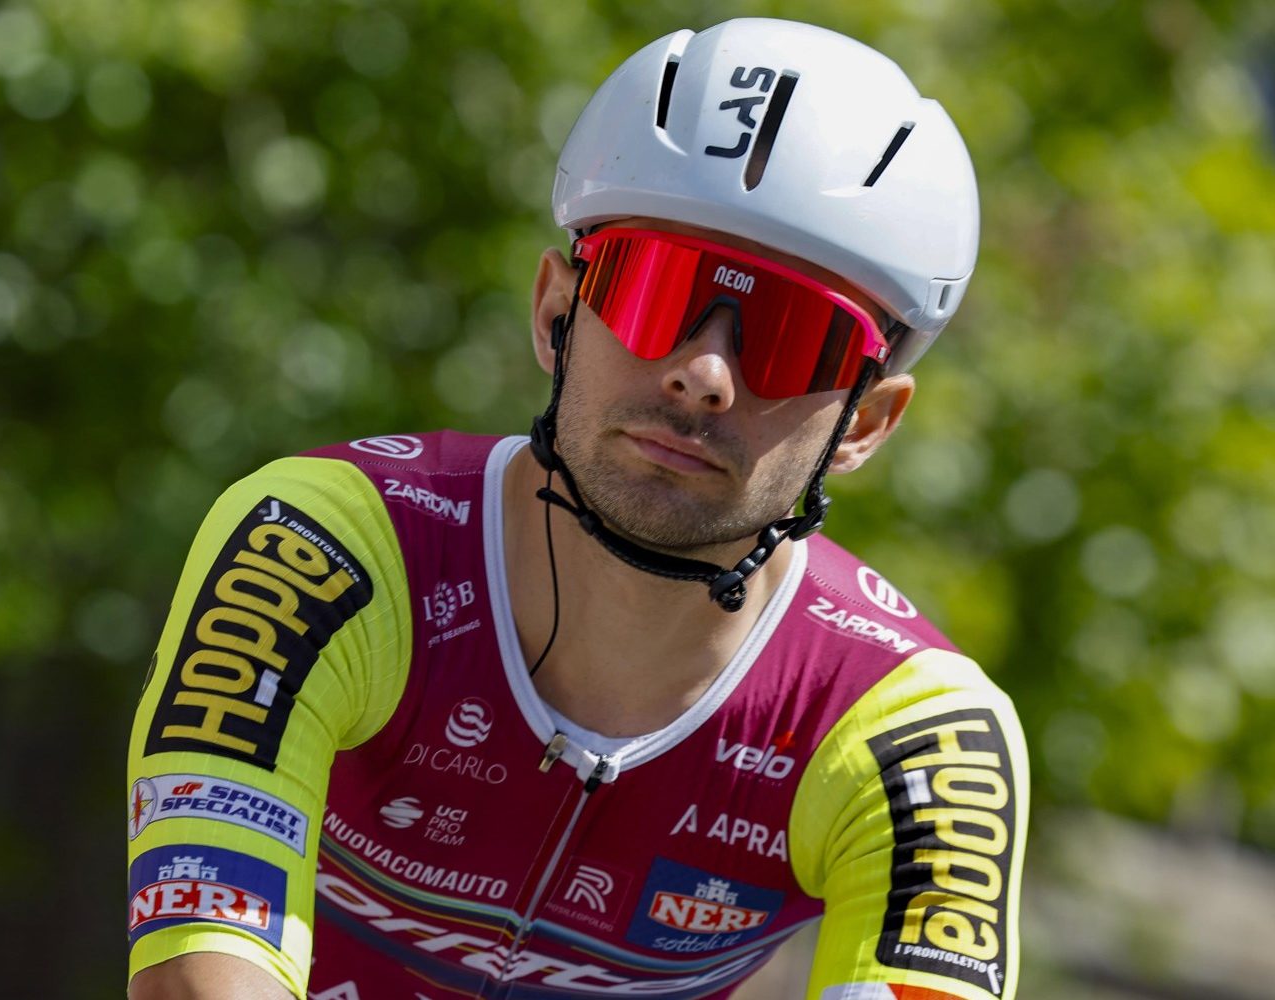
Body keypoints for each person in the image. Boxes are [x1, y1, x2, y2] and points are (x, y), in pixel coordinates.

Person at [125, 17, 1026, 1000]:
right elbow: (194, 978)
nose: (704, 373)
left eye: (793, 336)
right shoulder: (324, 548)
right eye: (658, 291)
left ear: (865, 422)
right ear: (557, 313)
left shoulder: (915, 733)